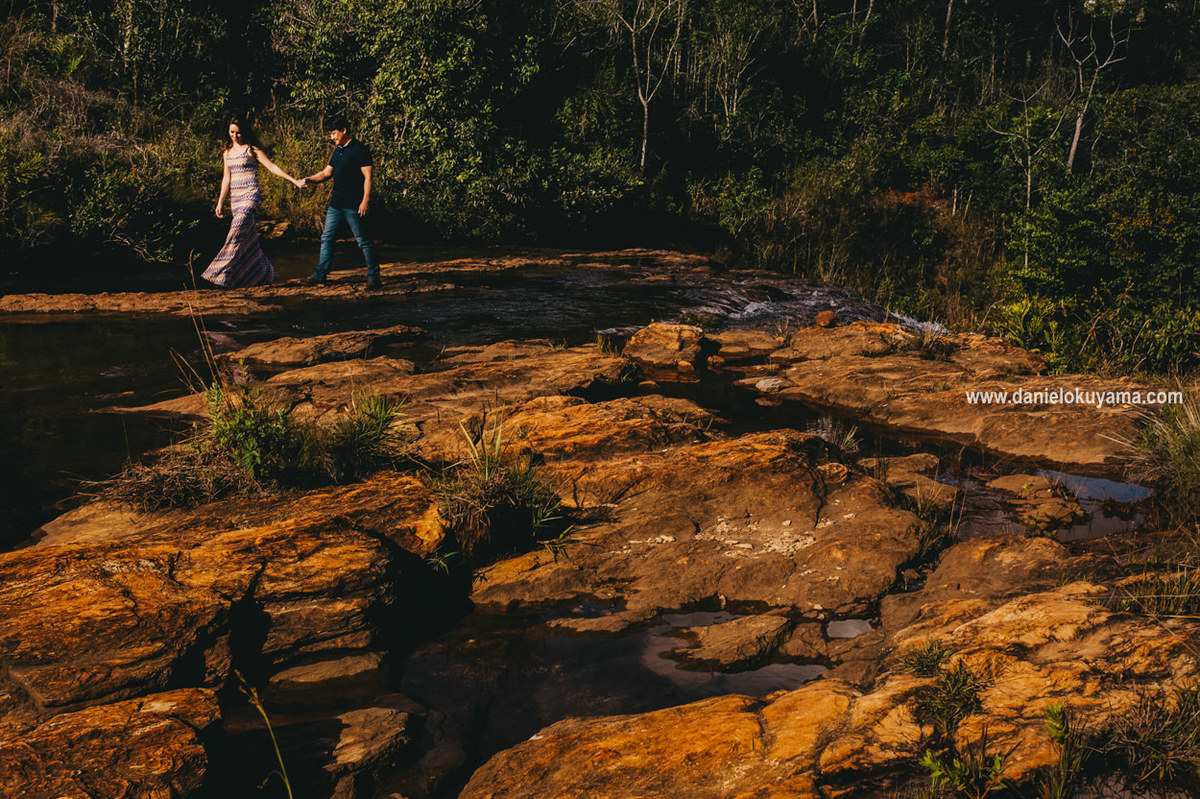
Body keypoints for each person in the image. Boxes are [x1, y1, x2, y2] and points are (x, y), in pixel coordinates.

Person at [202, 116, 302, 288]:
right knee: (247, 239)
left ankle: (219, 271)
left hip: (250, 196)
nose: (235, 136)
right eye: (232, 132)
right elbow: (226, 179)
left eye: (238, 132)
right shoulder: (226, 152)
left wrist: (294, 181)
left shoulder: (251, 150)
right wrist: (220, 202)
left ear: (245, 132)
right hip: (235, 199)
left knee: (237, 228)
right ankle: (265, 274)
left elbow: (272, 167)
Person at [300, 114, 382, 289]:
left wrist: (365, 200)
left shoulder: (359, 149)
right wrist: (309, 179)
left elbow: (368, 177)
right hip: (336, 205)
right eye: (330, 134)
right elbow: (326, 173)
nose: (332, 137)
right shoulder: (338, 150)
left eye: (334, 133)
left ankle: (374, 277)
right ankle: (320, 275)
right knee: (327, 238)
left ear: (344, 130)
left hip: (354, 205)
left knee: (363, 241)